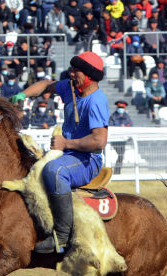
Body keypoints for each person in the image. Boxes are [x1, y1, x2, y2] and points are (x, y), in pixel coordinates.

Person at [22, 51, 109, 255]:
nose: (71, 74)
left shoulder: (96, 101)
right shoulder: (71, 89)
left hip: (87, 160)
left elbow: (99, 141)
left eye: (76, 70)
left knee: (54, 170)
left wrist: (65, 143)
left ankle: (62, 237)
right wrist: (21, 95)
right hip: (68, 153)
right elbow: (45, 85)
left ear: (88, 75)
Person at [108, 100, 131, 174]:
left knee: (121, 155)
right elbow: (110, 126)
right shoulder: (113, 116)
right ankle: (113, 171)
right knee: (118, 154)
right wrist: (119, 127)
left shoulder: (127, 116)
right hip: (115, 139)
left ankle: (118, 171)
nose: (121, 108)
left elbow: (130, 125)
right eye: (119, 107)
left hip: (123, 139)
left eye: (122, 107)